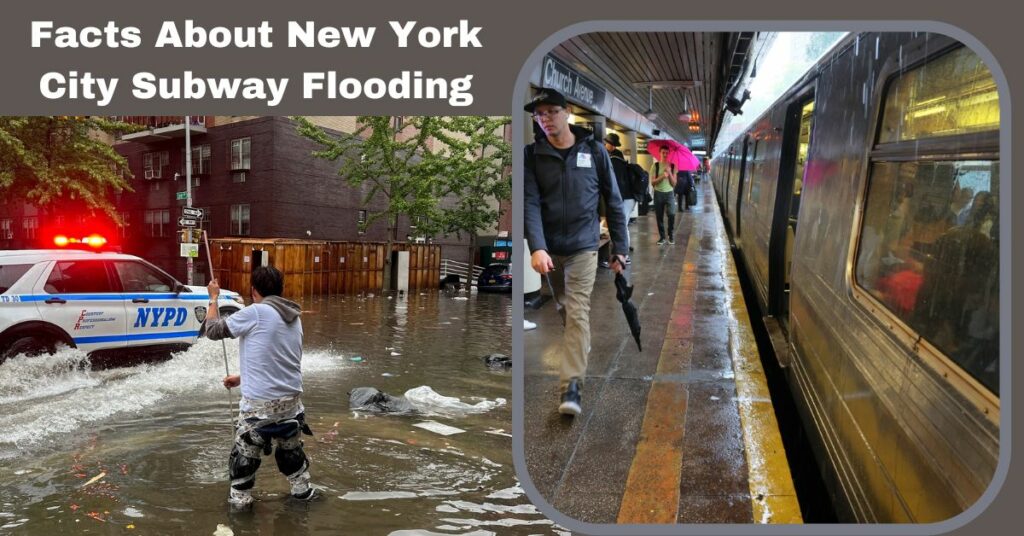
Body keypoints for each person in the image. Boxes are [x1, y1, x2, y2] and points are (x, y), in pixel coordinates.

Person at [524, 87, 629, 416]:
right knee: (567, 313)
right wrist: (537, 247)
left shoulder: (594, 151)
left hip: (585, 246)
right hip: (551, 250)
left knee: (577, 309)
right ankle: (579, 343)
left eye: (551, 112)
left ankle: (571, 387)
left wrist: (620, 247)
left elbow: (613, 201)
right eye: (539, 114)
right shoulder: (532, 155)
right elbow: (529, 204)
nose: (545, 119)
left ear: (566, 112)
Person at [205, 266, 315, 508]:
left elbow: (212, 331)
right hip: (292, 406)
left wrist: (213, 298)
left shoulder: (256, 312)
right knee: (292, 457)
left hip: (259, 409)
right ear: (280, 289)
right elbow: (279, 359)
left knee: (243, 460)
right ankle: (302, 495)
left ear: (253, 290)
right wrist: (242, 377)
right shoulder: (293, 316)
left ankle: (241, 509)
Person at [604, 132, 635, 265]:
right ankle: (622, 251)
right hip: (627, 197)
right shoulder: (619, 158)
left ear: (611, 145)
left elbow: (615, 182)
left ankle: (624, 255)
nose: (605, 145)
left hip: (624, 197)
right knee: (622, 224)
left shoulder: (614, 160)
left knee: (621, 225)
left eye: (607, 143)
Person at [649, 146, 677, 244]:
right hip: (658, 193)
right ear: (660, 153)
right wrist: (662, 176)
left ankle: (671, 234)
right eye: (663, 152)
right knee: (659, 216)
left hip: (669, 193)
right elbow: (653, 182)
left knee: (672, 214)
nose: (665, 155)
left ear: (669, 153)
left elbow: (674, 184)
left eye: (666, 153)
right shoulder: (655, 166)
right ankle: (662, 237)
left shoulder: (673, 166)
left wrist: (669, 173)